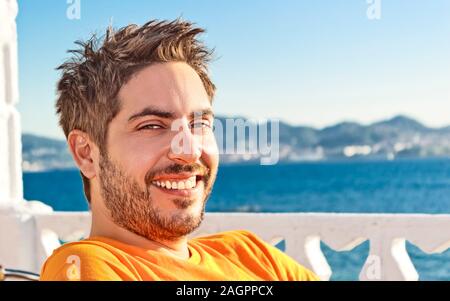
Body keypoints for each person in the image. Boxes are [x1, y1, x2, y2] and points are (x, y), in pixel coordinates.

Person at [40, 19, 319, 281]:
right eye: (152, 126)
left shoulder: (251, 254)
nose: (189, 151)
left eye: (199, 123)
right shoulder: (83, 265)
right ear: (86, 153)